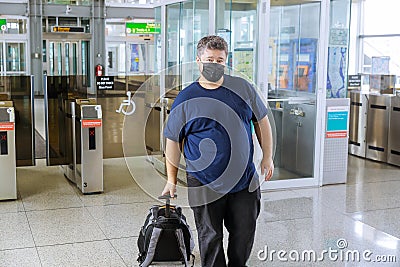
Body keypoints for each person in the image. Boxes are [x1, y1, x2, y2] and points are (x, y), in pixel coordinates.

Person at [162, 35, 274, 267]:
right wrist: (171, 180)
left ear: (226, 61)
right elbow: (173, 140)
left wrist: (268, 156)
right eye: (209, 59)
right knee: (210, 237)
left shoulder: (242, 88)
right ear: (198, 61)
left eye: (220, 60)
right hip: (204, 182)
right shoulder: (186, 98)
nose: (215, 64)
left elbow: (261, 121)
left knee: (244, 232)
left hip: (244, 180)